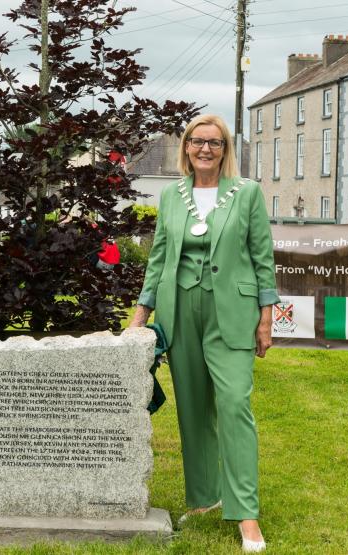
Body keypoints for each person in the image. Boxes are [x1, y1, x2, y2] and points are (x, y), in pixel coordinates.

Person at [129, 113, 278, 553]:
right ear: (186, 147)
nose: (205, 149)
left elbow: (262, 256)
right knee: (192, 407)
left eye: (214, 143)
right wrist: (141, 314)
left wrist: (266, 317)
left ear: (226, 149)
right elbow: (158, 257)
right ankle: (203, 497)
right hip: (179, 309)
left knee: (234, 403)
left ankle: (246, 513)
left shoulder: (247, 193)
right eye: (197, 142)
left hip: (232, 309)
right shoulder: (172, 197)